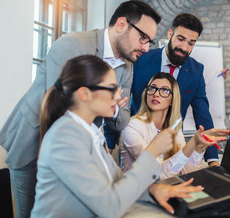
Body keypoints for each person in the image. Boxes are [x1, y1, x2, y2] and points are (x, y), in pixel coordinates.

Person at [0, 0, 160, 218]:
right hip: (33, 139)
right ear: (121, 24)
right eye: (143, 38)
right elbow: (64, 109)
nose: (147, 47)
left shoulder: (127, 67)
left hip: (79, 147)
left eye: (150, 41)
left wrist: (115, 110)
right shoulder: (72, 45)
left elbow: (121, 122)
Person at [31, 55, 203, 217]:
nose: (119, 95)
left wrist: (152, 190)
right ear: (84, 94)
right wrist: (152, 151)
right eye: (112, 89)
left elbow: (118, 181)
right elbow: (109, 207)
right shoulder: (65, 138)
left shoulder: (88, 131)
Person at [130, 13, 220, 166]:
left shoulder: (195, 71)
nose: (184, 48)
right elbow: (122, 102)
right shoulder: (142, 60)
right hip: (137, 140)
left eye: (191, 43)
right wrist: (110, 143)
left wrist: (213, 160)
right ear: (170, 34)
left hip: (174, 145)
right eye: (181, 39)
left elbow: (202, 114)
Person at [121, 72, 229, 179]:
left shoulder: (174, 129)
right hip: (138, 193)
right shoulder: (132, 127)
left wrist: (199, 147)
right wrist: (192, 143)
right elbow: (158, 174)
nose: (156, 94)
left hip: (165, 189)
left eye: (164, 90)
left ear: (172, 100)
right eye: (152, 88)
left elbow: (188, 170)